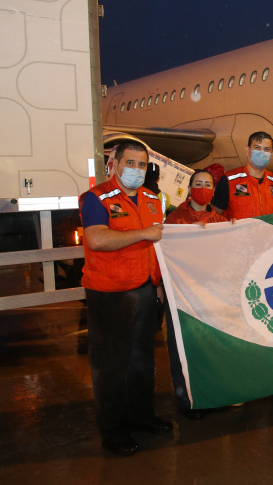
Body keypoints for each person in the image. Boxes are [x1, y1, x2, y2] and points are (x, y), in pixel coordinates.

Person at [79, 140, 172, 457]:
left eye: (142, 164)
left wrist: (157, 283)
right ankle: (114, 431)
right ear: (115, 165)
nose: (136, 170)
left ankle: (141, 417)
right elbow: (96, 239)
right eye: (130, 163)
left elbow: (160, 241)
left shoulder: (152, 199)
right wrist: (143, 234)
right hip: (110, 293)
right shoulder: (96, 198)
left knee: (142, 360)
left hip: (144, 288)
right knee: (111, 365)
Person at [163, 170, 229, 419]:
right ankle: (187, 401)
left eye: (208, 184)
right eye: (198, 184)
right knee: (183, 348)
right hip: (182, 293)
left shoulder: (221, 220)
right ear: (190, 189)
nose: (203, 188)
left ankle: (212, 395)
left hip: (211, 294)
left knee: (210, 346)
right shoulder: (175, 218)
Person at [212, 131, 273, 218]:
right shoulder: (229, 180)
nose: (262, 152)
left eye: (267, 149)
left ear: (272, 154)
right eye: (257, 148)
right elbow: (215, 215)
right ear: (247, 150)